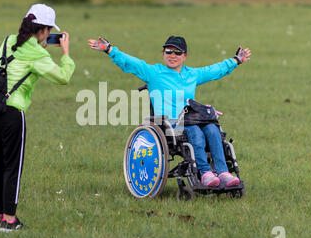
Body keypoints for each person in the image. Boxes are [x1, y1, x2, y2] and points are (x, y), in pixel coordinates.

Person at [87, 35, 251, 188]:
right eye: (169, 51)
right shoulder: (154, 73)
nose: (173, 55)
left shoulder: (191, 74)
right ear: (163, 53)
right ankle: (205, 172)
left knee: (212, 129)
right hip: (169, 123)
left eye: (177, 52)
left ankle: (223, 173)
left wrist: (236, 60)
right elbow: (131, 63)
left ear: (185, 56)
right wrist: (109, 49)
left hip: (191, 117)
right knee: (195, 132)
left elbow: (214, 70)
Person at [0, 4, 75, 232]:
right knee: (13, 167)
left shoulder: (7, 40)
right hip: (12, 113)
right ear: (43, 30)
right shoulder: (38, 54)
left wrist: (38, 46)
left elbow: (16, 60)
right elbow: (63, 77)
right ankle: (10, 221)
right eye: (48, 30)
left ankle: (2, 215)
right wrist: (65, 54)